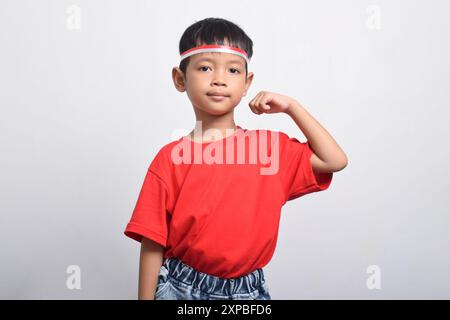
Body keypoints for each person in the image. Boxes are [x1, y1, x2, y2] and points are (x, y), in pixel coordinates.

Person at [124, 17, 348, 300]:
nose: (219, 79)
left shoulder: (268, 150)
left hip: (247, 294)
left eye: (232, 70)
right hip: (180, 288)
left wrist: (292, 107)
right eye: (205, 68)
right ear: (180, 79)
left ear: (247, 83)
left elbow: (334, 161)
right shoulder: (169, 159)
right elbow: (153, 239)